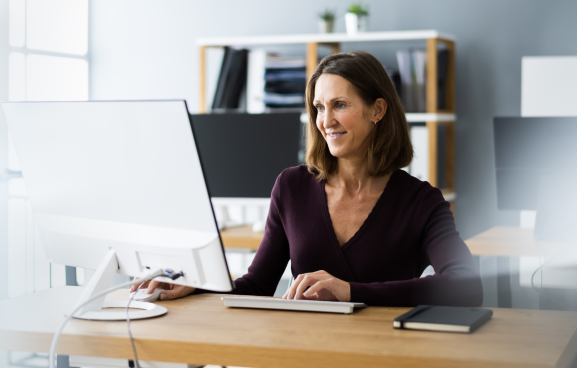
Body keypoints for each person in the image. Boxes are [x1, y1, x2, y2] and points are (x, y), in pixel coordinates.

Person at [131, 51, 483, 307]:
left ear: (377, 110)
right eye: (319, 107)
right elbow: (257, 284)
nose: (326, 120)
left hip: (384, 354)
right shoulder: (292, 187)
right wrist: (198, 286)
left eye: (340, 105)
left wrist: (350, 291)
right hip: (303, 350)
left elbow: (466, 285)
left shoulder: (421, 201)